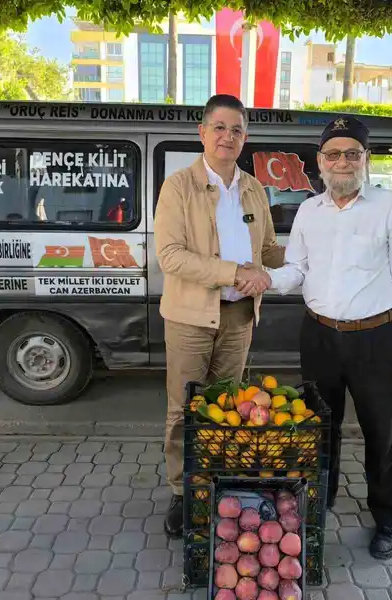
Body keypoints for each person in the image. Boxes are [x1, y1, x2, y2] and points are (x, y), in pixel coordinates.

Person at [240, 114, 392, 560]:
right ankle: (319, 499)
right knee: (319, 427)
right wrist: (264, 277)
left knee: (384, 432)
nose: (343, 162)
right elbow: (297, 270)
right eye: (334, 154)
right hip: (320, 335)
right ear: (320, 161)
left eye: (352, 154)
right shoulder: (309, 211)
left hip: (376, 337)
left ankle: (389, 515)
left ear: (365, 159)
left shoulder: (389, 206)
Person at [153, 94, 284, 538]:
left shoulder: (254, 189)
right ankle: (181, 490)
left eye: (237, 130)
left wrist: (311, 253)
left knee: (228, 406)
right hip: (190, 317)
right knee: (184, 408)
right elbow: (171, 256)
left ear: (245, 138)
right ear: (203, 132)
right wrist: (235, 273)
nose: (228, 136)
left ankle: (215, 481)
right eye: (220, 127)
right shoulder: (178, 186)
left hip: (239, 317)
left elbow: (268, 249)